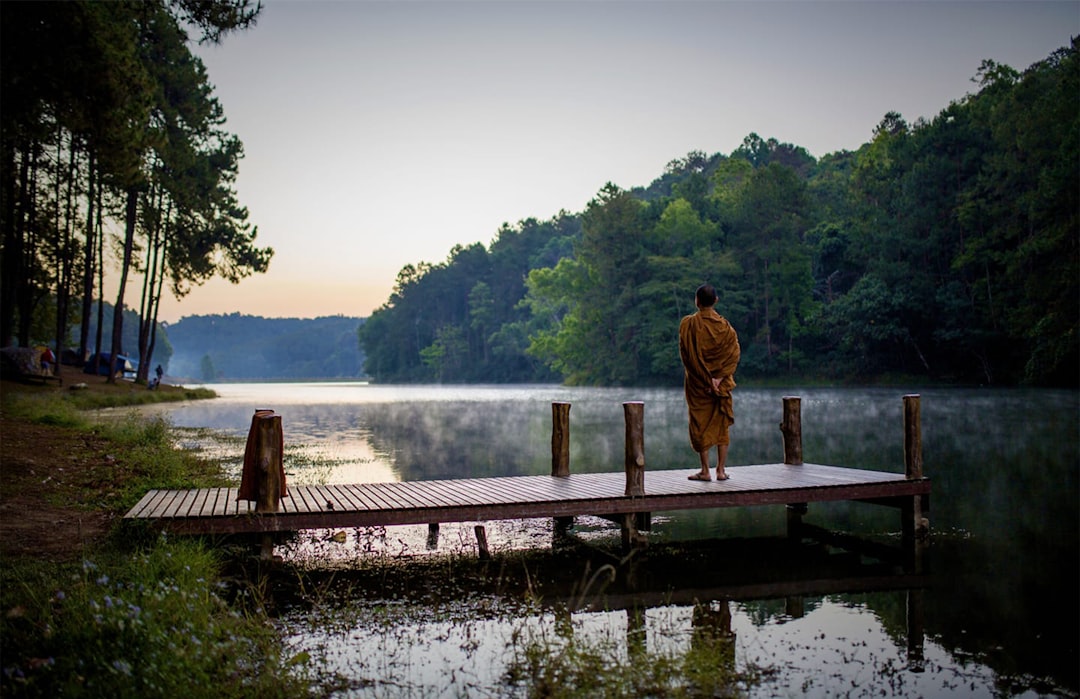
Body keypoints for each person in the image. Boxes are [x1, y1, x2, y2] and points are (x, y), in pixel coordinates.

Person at [679, 284, 740, 481]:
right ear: (716, 301)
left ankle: (705, 470)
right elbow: (734, 355)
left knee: (700, 424)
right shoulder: (726, 327)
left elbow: (687, 358)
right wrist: (718, 379)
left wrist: (707, 380)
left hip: (699, 386)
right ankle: (721, 471)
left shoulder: (688, 325)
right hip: (720, 385)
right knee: (721, 425)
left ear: (696, 301)